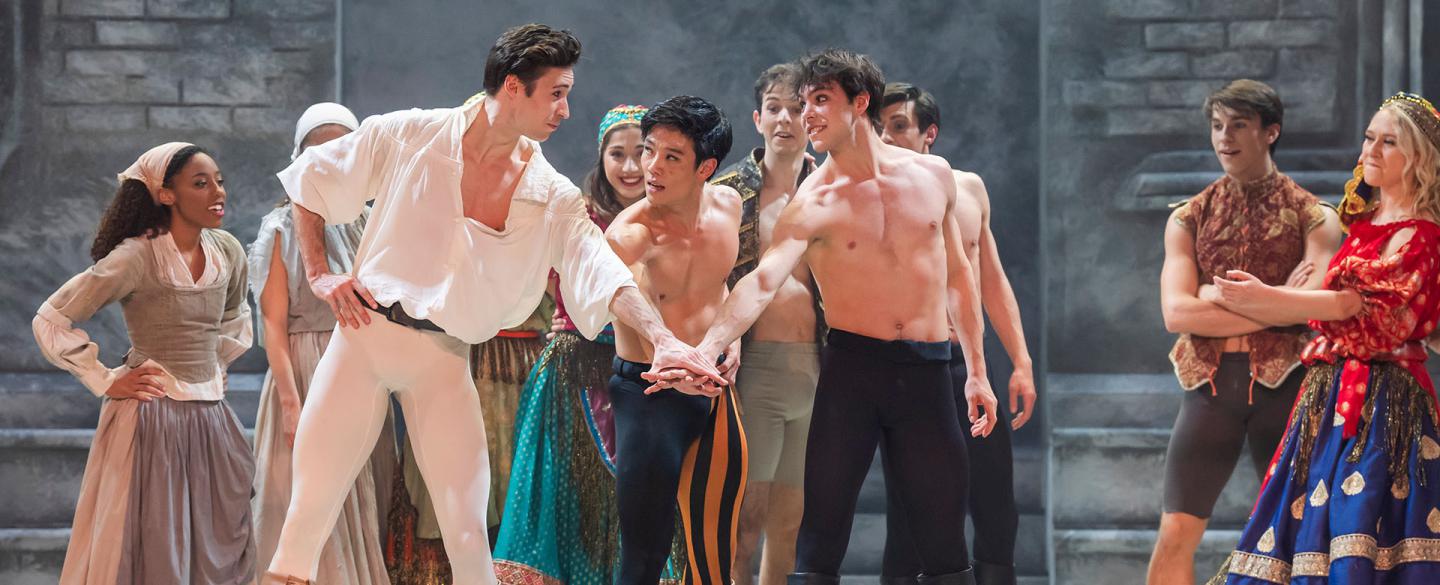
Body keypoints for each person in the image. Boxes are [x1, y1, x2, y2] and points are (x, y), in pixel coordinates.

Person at [262, 24, 720, 585]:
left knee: (467, 532)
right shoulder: (409, 134)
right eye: (556, 93)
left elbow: (603, 271)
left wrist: (667, 339)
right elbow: (309, 179)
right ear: (512, 87)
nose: (566, 110)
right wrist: (319, 273)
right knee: (307, 515)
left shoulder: (548, 193)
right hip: (363, 338)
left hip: (443, 357)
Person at [678, 49, 999, 585]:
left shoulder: (933, 176)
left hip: (927, 373)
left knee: (945, 543)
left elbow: (960, 280)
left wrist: (979, 372)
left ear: (861, 102)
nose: (808, 116)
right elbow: (760, 282)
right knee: (819, 543)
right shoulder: (815, 200)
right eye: (804, 104)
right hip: (852, 374)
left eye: (820, 100)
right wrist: (705, 347)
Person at [1208, 91, 1440, 584]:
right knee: (1304, 526)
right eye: (1369, 137)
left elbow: (1347, 304)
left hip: (1383, 405)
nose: (1371, 150)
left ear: (1418, 157)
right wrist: (1272, 300)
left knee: (1361, 528)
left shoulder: (1419, 233)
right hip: (1327, 399)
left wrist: (1270, 299)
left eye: (1389, 142)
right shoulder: (1363, 225)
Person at [34, 142, 256, 584]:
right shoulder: (137, 255)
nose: (217, 192)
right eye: (200, 183)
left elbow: (235, 317)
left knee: (217, 540)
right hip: (153, 419)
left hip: (211, 419)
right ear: (166, 194)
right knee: (155, 542)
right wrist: (106, 380)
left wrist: (213, 367)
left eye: (219, 181)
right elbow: (52, 319)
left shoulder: (227, 251)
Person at [1150, 79, 1343, 585]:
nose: (1224, 137)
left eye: (1238, 125)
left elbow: (1319, 308)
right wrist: (1281, 304)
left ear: (1270, 131)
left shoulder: (1315, 217)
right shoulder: (1188, 217)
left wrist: (1217, 297)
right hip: (1209, 389)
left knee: (1300, 536)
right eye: (1217, 125)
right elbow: (1176, 314)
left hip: (1288, 388)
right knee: (1174, 533)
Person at [493, 104, 687, 585]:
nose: (627, 167)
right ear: (600, 157)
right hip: (575, 372)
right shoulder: (574, 212)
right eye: (615, 154)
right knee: (572, 502)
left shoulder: (677, 218)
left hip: (651, 374)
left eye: (638, 154)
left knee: (644, 507)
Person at [876, 81, 1038, 585]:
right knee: (908, 517)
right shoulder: (867, 195)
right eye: (880, 128)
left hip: (969, 367)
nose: (888, 137)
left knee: (995, 508)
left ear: (930, 134)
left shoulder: (968, 188)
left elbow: (991, 277)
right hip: (906, 368)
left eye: (899, 126)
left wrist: (1022, 362)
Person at [608, 95, 747, 585]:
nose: (651, 167)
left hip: (713, 390)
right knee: (645, 554)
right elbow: (609, 290)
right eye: (649, 150)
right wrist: (663, 340)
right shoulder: (632, 230)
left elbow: (721, 286)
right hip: (650, 395)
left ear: (706, 167)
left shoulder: (730, 206)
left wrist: (730, 344)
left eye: (671, 157)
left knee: (714, 553)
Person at [711, 62, 822, 585]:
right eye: (774, 108)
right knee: (746, 517)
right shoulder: (729, 191)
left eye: (797, 108)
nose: (786, 119)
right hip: (755, 367)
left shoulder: (830, 187)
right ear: (757, 118)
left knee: (791, 521)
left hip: (819, 368)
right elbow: (706, 274)